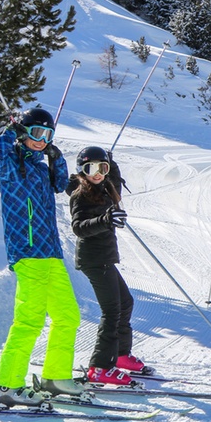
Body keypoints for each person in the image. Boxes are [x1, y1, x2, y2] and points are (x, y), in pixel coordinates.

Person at [0, 107, 85, 406]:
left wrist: (57, 158)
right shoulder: (12, 165)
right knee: (30, 320)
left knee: (68, 316)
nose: (42, 140)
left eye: (48, 135)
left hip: (51, 253)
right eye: (37, 133)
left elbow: (59, 183)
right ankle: (7, 384)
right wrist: (8, 134)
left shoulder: (40, 169)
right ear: (24, 132)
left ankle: (55, 378)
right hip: (27, 252)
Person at [66, 146, 145, 386]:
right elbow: (79, 227)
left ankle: (120, 355)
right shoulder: (80, 194)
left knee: (126, 303)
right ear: (82, 169)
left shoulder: (104, 188)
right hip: (93, 259)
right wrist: (105, 219)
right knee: (112, 311)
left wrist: (113, 163)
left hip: (105, 258)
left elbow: (116, 185)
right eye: (92, 168)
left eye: (103, 167)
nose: (98, 173)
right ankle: (99, 367)